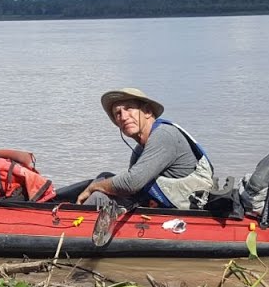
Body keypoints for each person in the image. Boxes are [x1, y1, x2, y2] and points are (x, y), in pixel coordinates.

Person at [75, 87, 216, 210]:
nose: (123, 117)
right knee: (104, 177)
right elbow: (131, 190)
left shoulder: (163, 135)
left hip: (187, 209)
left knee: (99, 194)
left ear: (147, 111)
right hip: (166, 203)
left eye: (129, 108)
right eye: (118, 113)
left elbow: (131, 183)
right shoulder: (140, 149)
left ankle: (71, 227)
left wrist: (92, 188)